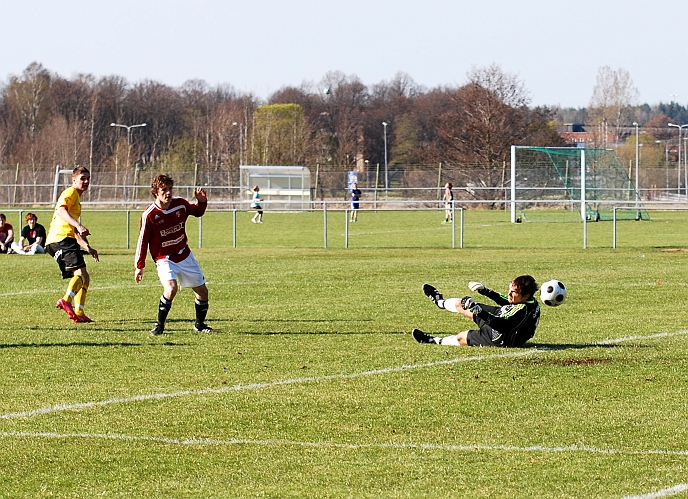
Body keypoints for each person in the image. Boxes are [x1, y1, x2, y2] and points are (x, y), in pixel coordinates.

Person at [135, 174, 213, 336]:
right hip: (164, 258)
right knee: (171, 289)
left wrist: (202, 201)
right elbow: (142, 241)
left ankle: (199, 325)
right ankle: (159, 325)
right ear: (156, 192)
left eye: (170, 189)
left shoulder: (180, 204)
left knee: (202, 291)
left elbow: (197, 212)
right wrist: (140, 266)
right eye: (164, 190)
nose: (168, 193)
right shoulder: (149, 215)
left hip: (184, 254)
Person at [413, 275, 540, 348]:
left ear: (526, 296)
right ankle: (440, 302)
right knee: (462, 304)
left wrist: (480, 312)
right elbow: (507, 301)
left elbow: (502, 326)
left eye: (514, 292)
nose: (509, 293)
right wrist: (485, 290)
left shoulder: (523, 310)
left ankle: (433, 340)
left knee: (462, 337)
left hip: (500, 338)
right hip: (499, 318)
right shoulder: (526, 301)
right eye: (510, 288)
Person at [45, 166, 100, 323]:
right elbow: (61, 212)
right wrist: (78, 224)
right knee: (81, 273)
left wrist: (88, 247)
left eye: (88, 178)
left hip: (64, 239)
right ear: (74, 180)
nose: (86, 181)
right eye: (82, 178)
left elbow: (75, 232)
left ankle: (79, 312)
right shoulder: (70, 193)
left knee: (85, 277)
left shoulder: (77, 198)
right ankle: (66, 301)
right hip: (61, 239)